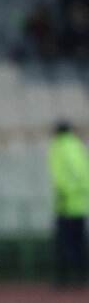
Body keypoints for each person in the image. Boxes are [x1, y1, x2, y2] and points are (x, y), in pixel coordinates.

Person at [48, 120, 89, 288]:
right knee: (79, 242)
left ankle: (64, 277)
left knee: (64, 244)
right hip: (79, 204)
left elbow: (64, 175)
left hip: (66, 204)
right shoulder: (77, 146)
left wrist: (66, 192)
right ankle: (80, 277)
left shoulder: (60, 147)